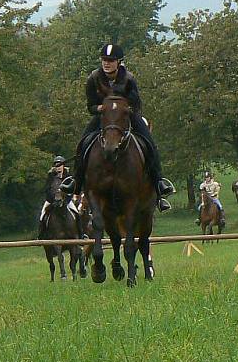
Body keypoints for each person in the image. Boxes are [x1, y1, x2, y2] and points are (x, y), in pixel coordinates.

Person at [60, 43, 175, 211]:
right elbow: (91, 105)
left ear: (119, 62)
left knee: (149, 143)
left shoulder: (128, 78)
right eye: (104, 60)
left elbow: (136, 103)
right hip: (104, 118)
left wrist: (124, 110)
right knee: (83, 143)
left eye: (111, 60)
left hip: (126, 117)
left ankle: (159, 183)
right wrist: (99, 109)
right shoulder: (93, 78)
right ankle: (76, 182)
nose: (106, 63)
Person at [38, 156, 82, 238]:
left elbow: (72, 189)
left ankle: (81, 235)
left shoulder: (69, 176)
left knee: (77, 214)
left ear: (63, 166)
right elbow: (47, 189)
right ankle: (41, 235)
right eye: (57, 166)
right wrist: (52, 199)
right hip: (51, 200)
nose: (58, 168)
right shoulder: (51, 176)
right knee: (42, 215)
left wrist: (66, 200)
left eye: (60, 165)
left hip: (66, 201)